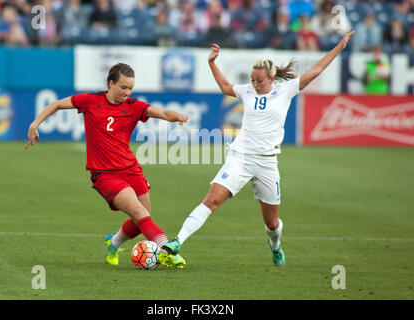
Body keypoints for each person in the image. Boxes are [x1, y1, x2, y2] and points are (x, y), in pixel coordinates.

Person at [162, 30, 355, 267]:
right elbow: (225, 86)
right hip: (240, 157)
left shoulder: (286, 90)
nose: (254, 83)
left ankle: (275, 247)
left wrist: (338, 47)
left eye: (259, 80)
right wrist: (212, 62)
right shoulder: (247, 90)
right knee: (212, 200)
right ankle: (177, 241)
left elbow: (316, 71)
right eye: (252, 79)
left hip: (267, 162)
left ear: (271, 78)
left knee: (272, 223)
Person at [25, 63, 188, 269]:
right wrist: (34, 124)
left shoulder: (134, 105)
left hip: (131, 169)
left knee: (142, 219)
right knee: (140, 214)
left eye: (130, 88)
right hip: (105, 174)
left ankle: (114, 243)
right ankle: (166, 251)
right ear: (110, 83)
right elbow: (56, 104)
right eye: (123, 87)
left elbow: (164, 113)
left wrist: (179, 117)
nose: (127, 92)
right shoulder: (90, 100)